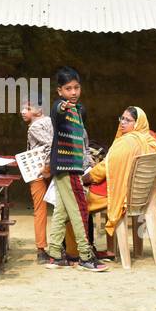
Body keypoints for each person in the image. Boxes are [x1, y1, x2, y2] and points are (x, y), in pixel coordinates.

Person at [44, 66, 107, 272]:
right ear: (60, 91)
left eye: (76, 88)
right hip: (66, 166)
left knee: (62, 211)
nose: (73, 92)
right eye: (68, 88)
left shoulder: (81, 110)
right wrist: (63, 107)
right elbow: (58, 111)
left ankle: (53, 254)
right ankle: (86, 256)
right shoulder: (58, 108)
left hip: (72, 166)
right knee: (80, 209)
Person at [82, 106, 156, 254]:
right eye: (121, 118)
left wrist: (86, 178)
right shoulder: (150, 141)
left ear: (137, 123)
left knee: (78, 199)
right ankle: (112, 250)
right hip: (143, 194)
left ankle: (84, 250)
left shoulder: (126, 142)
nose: (122, 123)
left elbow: (106, 167)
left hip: (123, 195)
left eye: (128, 120)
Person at [21, 93, 77, 264]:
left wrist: (47, 166)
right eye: (22, 108)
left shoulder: (35, 127)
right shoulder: (53, 121)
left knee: (40, 209)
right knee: (62, 207)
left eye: (28, 108)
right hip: (56, 167)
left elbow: (52, 143)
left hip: (39, 170)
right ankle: (65, 246)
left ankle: (41, 249)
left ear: (39, 110)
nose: (23, 111)